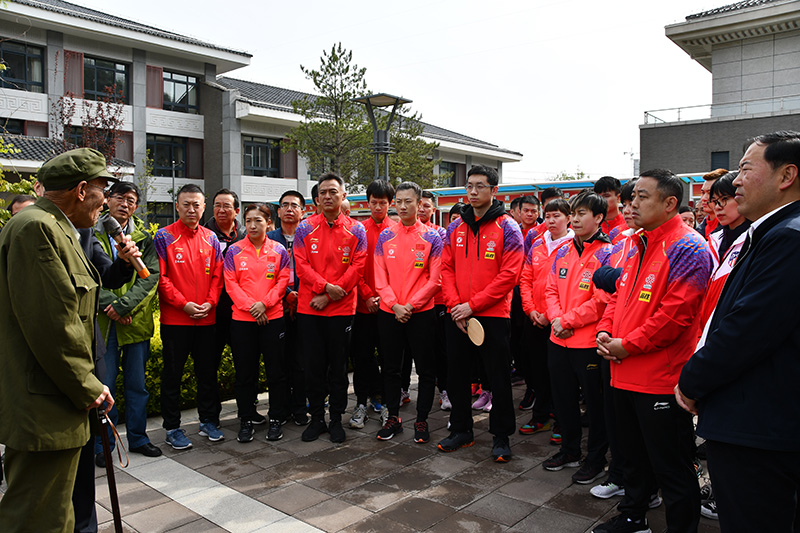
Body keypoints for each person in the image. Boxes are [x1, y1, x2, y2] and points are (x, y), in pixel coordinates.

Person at [677, 131, 800, 533]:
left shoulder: (787, 237)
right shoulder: (769, 232)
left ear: (786, 176)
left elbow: (747, 329)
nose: (737, 181)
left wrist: (693, 381)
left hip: (757, 426)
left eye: (746, 169)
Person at [0, 148, 117, 532]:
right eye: (102, 191)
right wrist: (89, 386)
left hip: (55, 400)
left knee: (58, 515)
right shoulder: (37, 228)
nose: (106, 202)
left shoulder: (57, 227)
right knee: (38, 519)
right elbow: (53, 326)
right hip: (44, 405)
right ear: (81, 190)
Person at [593, 169, 712, 533]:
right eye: (632, 197)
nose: (632, 204)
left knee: (672, 467)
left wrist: (626, 345)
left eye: (642, 197)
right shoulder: (638, 243)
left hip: (660, 379)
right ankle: (633, 516)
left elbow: (675, 316)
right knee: (631, 457)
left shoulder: (689, 247)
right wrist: (604, 331)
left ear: (670, 203)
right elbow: (619, 297)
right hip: (622, 371)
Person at [438, 165, 524, 462]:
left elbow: (509, 275)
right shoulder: (455, 228)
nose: (473, 192)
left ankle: (501, 436)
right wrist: (455, 306)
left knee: (497, 378)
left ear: (494, 190)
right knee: (457, 375)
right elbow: (446, 268)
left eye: (480, 186)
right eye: (469, 186)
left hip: (493, 315)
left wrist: (473, 305)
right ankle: (461, 429)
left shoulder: (508, 228)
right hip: (457, 314)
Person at [543, 192, 611, 484]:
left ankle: (595, 458)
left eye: (583, 213)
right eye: (574, 213)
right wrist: (556, 320)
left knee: (595, 405)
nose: (576, 219)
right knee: (563, 399)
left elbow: (602, 300)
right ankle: (569, 450)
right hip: (558, 339)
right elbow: (550, 289)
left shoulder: (608, 253)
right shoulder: (562, 251)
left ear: (599, 217)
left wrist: (568, 321)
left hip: (587, 343)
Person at [294, 173, 367, 443]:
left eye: (333, 191)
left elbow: (358, 266)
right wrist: (324, 287)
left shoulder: (356, 230)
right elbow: (301, 265)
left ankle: (336, 419)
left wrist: (331, 294)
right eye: (323, 192)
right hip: (310, 308)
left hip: (342, 309)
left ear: (343, 196)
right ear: (316, 198)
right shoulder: (304, 228)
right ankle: (317, 419)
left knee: (338, 367)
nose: (327, 196)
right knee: (313, 367)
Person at [93, 182, 162, 467]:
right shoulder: (90, 232)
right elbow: (88, 276)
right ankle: (103, 444)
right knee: (104, 386)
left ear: (136, 206)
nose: (124, 204)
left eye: (131, 200)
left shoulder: (144, 237)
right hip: (104, 324)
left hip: (135, 322)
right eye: (119, 198)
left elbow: (151, 276)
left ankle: (138, 437)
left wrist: (123, 306)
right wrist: (111, 306)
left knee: (137, 386)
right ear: (108, 200)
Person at [155, 184, 225, 450]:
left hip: (206, 318)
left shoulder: (211, 238)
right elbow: (161, 278)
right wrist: (183, 305)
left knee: (207, 373)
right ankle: (172, 428)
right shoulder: (164, 237)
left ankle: (208, 421)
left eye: (197, 204)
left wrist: (210, 302)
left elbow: (218, 275)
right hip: (176, 320)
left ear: (204, 207)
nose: (192, 209)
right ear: (177, 206)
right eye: (186, 204)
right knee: (173, 375)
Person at [373, 181, 443, 443]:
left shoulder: (432, 238)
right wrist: (394, 305)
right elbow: (380, 278)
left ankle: (422, 419)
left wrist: (411, 306)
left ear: (419, 203)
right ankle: (393, 417)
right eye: (399, 202)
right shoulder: (385, 236)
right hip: (390, 312)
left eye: (408, 201)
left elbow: (435, 280)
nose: (402, 207)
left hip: (421, 313)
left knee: (425, 370)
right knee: (391, 368)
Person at [225, 204, 291, 443]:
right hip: (243, 321)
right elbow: (230, 283)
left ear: (268, 223)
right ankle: (246, 419)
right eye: (248, 221)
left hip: (273, 318)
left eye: (258, 221)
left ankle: (276, 418)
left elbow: (282, 281)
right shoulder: (233, 251)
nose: (252, 225)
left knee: (276, 372)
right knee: (245, 373)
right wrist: (252, 307)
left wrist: (265, 304)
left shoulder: (279, 250)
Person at [518, 199, 574, 440]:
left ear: (568, 218)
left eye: (557, 216)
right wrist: (530, 309)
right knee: (537, 371)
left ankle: (562, 421)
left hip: (560, 322)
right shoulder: (538, 244)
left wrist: (551, 315)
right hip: (534, 319)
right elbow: (525, 279)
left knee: (562, 375)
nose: (551, 221)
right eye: (548, 216)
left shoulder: (575, 245)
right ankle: (540, 416)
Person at [350, 180, 395, 429]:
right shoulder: (358, 231)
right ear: (367, 203)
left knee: (389, 359)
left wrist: (384, 298)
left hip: (389, 307)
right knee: (362, 358)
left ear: (390, 204)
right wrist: (367, 296)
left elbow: (399, 272)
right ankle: (360, 403)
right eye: (374, 202)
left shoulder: (396, 231)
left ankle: (388, 404)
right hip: (362, 306)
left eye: (382, 203)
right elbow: (353, 268)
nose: (378, 207)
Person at [267, 190, 310, 425]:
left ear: (303, 211)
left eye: (295, 205)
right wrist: (286, 294)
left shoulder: (310, 237)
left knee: (301, 361)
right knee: (279, 361)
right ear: (279, 211)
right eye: (285, 205)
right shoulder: (269, 239)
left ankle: (300, 408)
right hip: (277, 305)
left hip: (306, 305)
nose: (289, 209)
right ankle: (280, 409)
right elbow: (264, 272)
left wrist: (300, 295)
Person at [205, 190, 247, 417]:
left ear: (236, 211)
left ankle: (247, 411)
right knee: (209, 365)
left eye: (226, 206)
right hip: (212, 311)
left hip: (240, 310)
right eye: (217, 205)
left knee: (245, 362)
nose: (221, 210)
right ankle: (211, 415)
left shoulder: (245, 235)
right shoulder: (204, 234)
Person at [697, 168, 727, 239]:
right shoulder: (697, 232)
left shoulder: (730, 229)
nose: (704, 198)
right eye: (703, 192)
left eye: (710, 193)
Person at [595, 176, 626, 243]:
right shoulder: (591, 226)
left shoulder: (629, 225)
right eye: (598, 196)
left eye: (606, 196)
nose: (601, 200)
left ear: (618, 198)